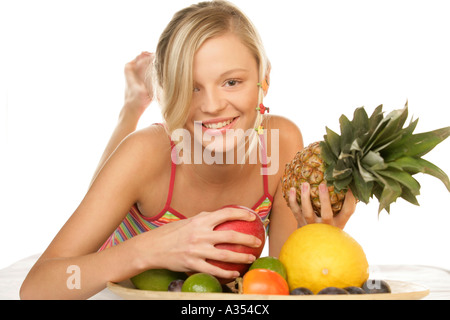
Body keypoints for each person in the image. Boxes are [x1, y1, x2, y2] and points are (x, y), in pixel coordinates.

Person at [20, 0, 356, 299]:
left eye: (232, 82)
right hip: (119, 243)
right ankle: (133, 105)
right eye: (190, 87)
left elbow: (280, 281)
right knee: (121, 163)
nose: (212, 105)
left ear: (263, 79)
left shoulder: (281, 141)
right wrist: (145, 251)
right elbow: (37, 288)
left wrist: (320, 238)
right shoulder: (144, 153)